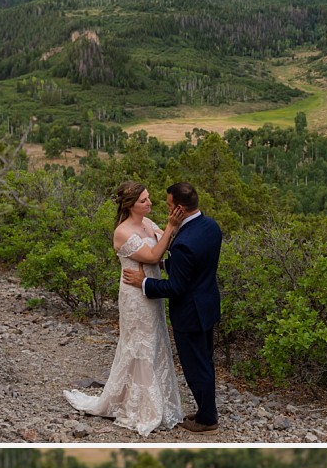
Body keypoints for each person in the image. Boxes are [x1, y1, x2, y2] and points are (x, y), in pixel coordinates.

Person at [65, 181, 183, 436]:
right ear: (130, 205)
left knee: (154, 340)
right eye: (144, 200)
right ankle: (139, 405)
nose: (150, 203)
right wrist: (171, 228)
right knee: (138, 343)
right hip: (134, 295)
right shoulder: (122, 231)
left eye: (149, 198)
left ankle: (155, 399)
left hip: (150, 289)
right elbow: (152, 256)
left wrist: (169, 236)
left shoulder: (148, 224)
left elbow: (164, 250)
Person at [122, 182, 222, 433]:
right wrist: (168, 266)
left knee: (195, 367)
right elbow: (194, 267)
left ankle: (207, 420)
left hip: (190, 313)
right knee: (205, 361)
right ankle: (206, 410)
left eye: (168, 205)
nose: (165, 209)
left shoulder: (183, 242)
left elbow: (175, 288)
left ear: (178, 208)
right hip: (208, 305)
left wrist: (144, 282)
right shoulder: (210, 226)